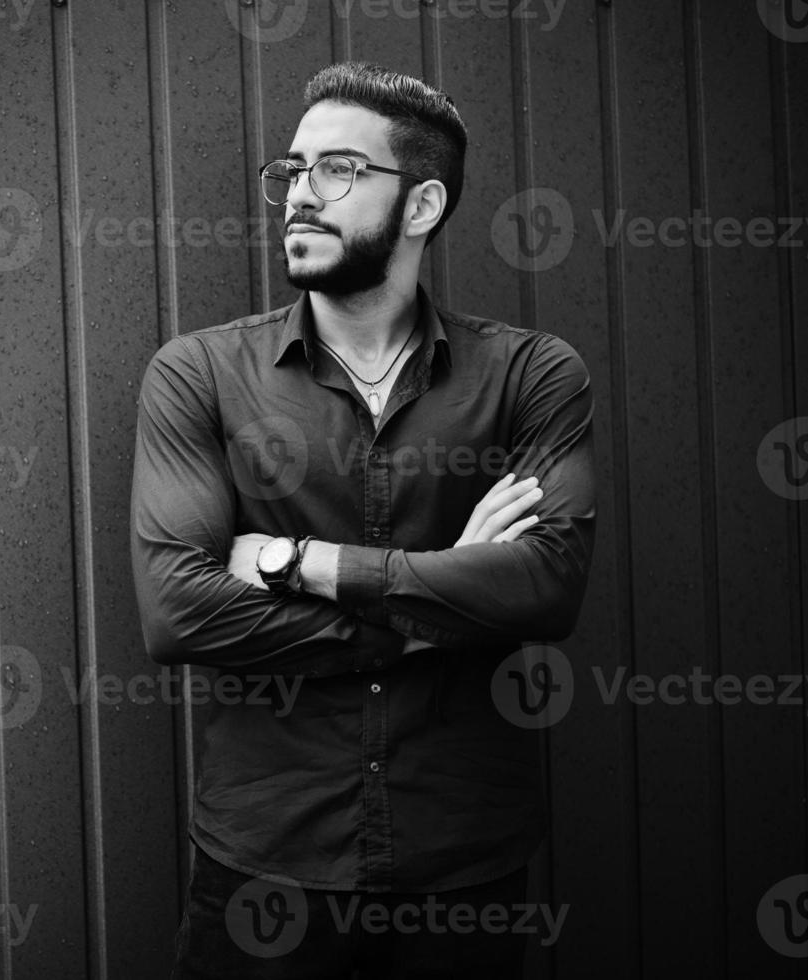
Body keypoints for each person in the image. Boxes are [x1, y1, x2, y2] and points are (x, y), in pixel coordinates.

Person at [129, 62, 596, 978]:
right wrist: (440, 604)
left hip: (463, 866)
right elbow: (176, 611)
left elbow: (544, 590)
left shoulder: (531, 376)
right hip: (263, 865)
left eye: (338, 170)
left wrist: (296, 560)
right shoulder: (198, 375)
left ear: (420, 205)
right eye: (292, 171)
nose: (299, 195)